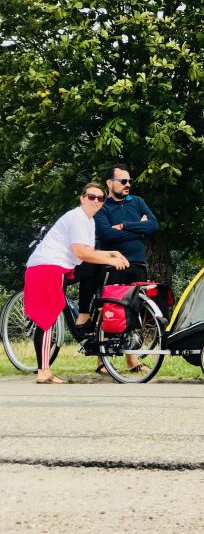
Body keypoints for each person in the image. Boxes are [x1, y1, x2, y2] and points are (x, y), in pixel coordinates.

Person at [23, 183, 130, 383]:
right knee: (48, 319)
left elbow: (87, 254)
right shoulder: (77, 218)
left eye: (100, 199)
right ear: (82, 198)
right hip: (47, 267)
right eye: (91, 197)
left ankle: (84, 315)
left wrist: (112, 253)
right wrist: (110, 259)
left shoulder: (89, 221)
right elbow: (81, 253)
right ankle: (43, 372)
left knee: (96, 269)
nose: (96, 201)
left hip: (63, 266)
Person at [79, 164, 159, 329]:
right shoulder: (102, 206)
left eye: (129, 180)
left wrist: (123, 226)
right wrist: (139, 229)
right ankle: (100, 348)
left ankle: (132, 353)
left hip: (137, 264)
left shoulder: (137, 201)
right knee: (110, 311)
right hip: (112, 265)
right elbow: (107, 234)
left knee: (135, 315)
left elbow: (153, 226)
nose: (127, 184)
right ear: (110, 183)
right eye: (123, 181)